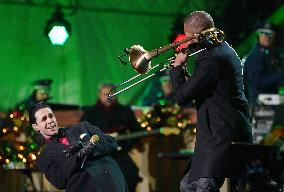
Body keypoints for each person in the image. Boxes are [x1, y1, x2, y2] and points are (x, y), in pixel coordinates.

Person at [169, 11, 252, 192]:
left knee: (202, 188)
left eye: (187, 36)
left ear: (195, 35)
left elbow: (181, 97)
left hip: (221, 134)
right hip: (217, 132)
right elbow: (202, 86)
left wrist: (177, 68)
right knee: (186, 185)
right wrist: (183, 71)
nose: (185, 41)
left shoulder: (212, 58)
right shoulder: (219, 49)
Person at [29, 102, 128, 192]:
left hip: (110, 181)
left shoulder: (82, 127)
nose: (50, 121)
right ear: (35, 126)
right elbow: (59, 181)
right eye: (44, 119)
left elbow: (111, 143)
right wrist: (78, 157)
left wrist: (92, 148)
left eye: (51, 116)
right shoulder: (44, 158)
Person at [80, 83, 142, 192]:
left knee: (131, 173)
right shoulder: (90, 112)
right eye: (105, 94)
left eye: (111, 94)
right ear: (99, 94)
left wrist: (125, 146)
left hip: (119, 152)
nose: (108, 97)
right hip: (97, 155)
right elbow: (81, 133)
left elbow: (136, 131)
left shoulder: (125, 111)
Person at [243, 22, 283, 104]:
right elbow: (258, 82)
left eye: (270, 34)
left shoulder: (272, 53)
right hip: (261, 104)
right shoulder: (255, 56)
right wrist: (279, 76)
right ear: (258, 35)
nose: (267, 37)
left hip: (271, 99)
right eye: (263, 33)